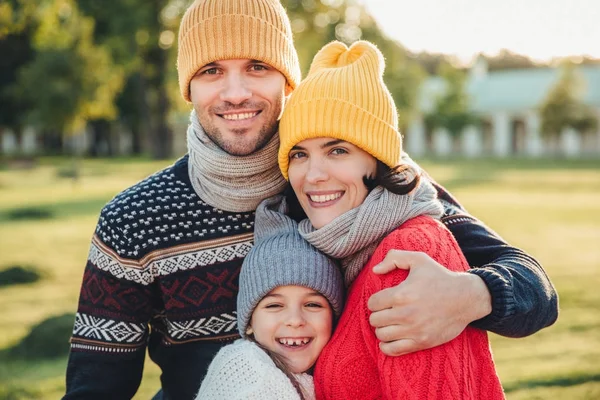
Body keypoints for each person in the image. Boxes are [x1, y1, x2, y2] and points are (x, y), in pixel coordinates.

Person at [63, 0, 557, 398]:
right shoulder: (136, 218)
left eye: (257, 66)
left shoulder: (347, 185)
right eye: (212, 70)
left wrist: (475, 294)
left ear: (287, 81)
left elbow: (535, 289)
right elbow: (95, 388)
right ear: (188, 87)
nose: (235, 92)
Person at [279, 40, 505, 399]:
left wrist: (483, 292)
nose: (313, 175)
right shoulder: (331, 249)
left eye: (338, 150)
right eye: (299, 154)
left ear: (378, 160)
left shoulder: (407, 254)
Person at [196, 195, 344, 400]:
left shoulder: (318, 375)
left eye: (312, 304)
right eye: (274, 305)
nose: (294, 320)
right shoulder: (247, 370)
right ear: (249, 322)